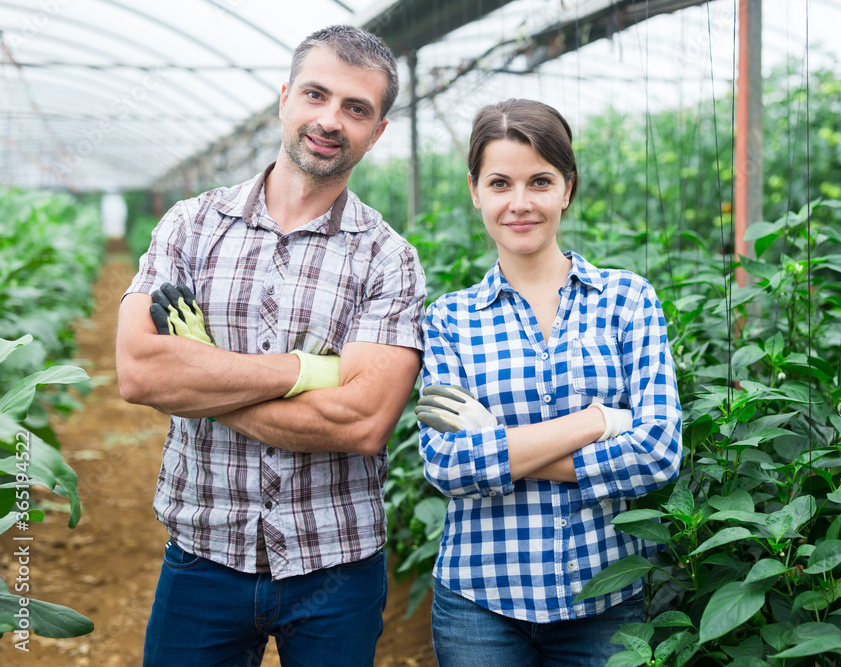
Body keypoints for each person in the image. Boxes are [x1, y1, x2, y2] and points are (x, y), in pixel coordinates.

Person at [115, 25, 426, 667]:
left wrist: (201, 381)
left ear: (377, 132)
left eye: (356, 108)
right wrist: (310, 371)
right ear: (285, 98)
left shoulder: (387, 258)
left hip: (337, 563)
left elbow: (363, 422)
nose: (330, 120)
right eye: (316, 94)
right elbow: (141, 373)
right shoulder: (191, 225)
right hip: (204, 553)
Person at [414, 98, 683, 666]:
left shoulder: (627, 299)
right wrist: (599, 422)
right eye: (500, 183)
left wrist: (498, 445)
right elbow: (446, 465)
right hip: (479, 601)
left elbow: (657, 453)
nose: (520, 203)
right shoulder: (449, 319)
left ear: (567, 188)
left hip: (605, 598)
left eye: (540, 181)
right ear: (475, 191)